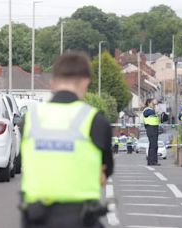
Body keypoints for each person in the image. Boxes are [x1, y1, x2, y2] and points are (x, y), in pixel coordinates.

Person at [20, 52, 114, 228]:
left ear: (52, 82)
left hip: (35, 217)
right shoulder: (96, 121)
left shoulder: (29, 119)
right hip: (80, 218)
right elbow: (105, 172)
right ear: (86, 81)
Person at [143, 98, 161, 166]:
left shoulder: (152, 110)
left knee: (154, 145)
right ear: (148, 103)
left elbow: (157, 112)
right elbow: (153, 112)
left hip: (155, 128)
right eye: (152, 102)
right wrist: (155, 104)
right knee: (153, 145)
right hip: (150, 128)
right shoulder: (147, 110)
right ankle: (151, 161)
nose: (153, 104)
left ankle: (153, 161)